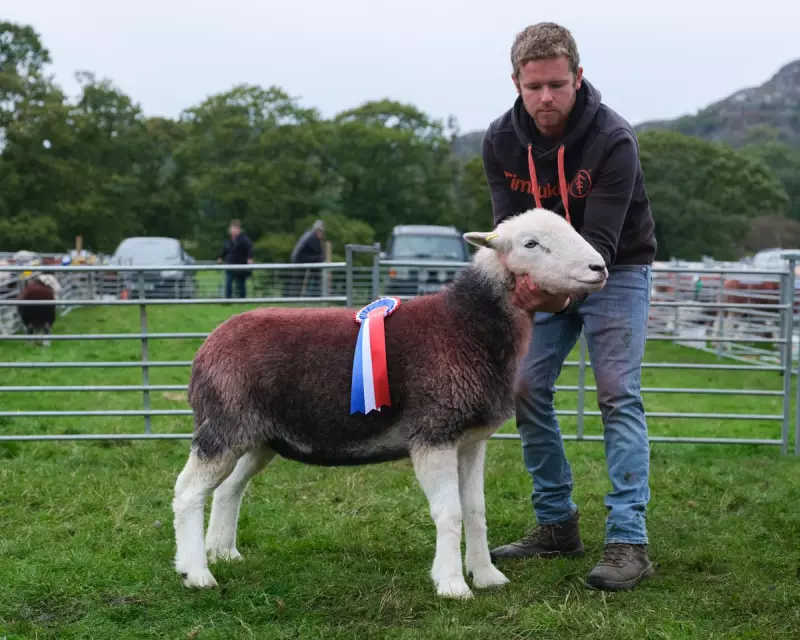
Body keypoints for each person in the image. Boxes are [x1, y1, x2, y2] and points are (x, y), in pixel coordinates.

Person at [481, 22, 658, 591]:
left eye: (558, 84)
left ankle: (629, 539)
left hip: (618, 268)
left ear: (578, 78)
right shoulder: (500, 142)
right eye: (534, 87)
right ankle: (556, 524)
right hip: (541, 280)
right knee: (525, 386)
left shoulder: (613, 139)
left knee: (616, 392)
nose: (546, 98)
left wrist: (553, 292)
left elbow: (601, 253)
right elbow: (508, 234)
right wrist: (527, 288)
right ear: (516, 82)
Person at [288, 220, 326, 296]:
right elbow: (319, 252)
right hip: (300, 260)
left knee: (299, 280)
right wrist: (322, 258)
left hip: (301, 259)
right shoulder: (312, 237)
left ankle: (311, 296)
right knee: (300, 280)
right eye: (321, 232)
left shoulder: (309, 234)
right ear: (318, 231)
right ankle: (316, 296)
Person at [217, 219, 253, 299]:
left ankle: (242, 300)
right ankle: (228, 299)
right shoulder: (229, 241)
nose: (232, 230)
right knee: (228, 282)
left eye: (234, 229)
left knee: (241, 283)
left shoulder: (244, 239)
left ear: (239, 229)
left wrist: (250, 258)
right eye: (232, 229)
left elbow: (249, 248)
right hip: (230, 264)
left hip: (241, 264)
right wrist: (220, 257)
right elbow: (225, 250)